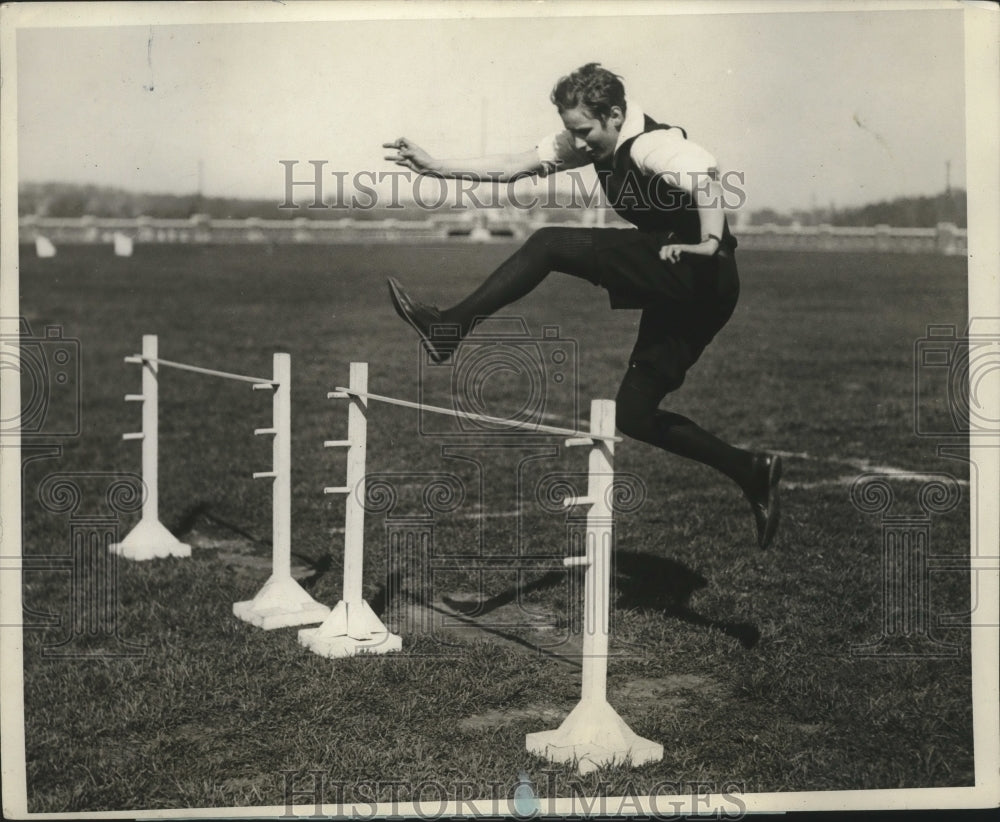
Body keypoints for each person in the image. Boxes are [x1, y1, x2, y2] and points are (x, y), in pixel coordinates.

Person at [383, 62, 781, 549]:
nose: (579, 143)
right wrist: (436, 167)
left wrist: (711, 241)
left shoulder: (654, 144)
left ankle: (448, 329)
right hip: (684, 281)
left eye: (585, 131)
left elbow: (707, 182)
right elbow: (516, 167)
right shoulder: (594, 137)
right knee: (633, 415)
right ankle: (751, 470)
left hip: (699, 267)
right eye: (572, 131)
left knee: (549, 242)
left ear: (615, 115)